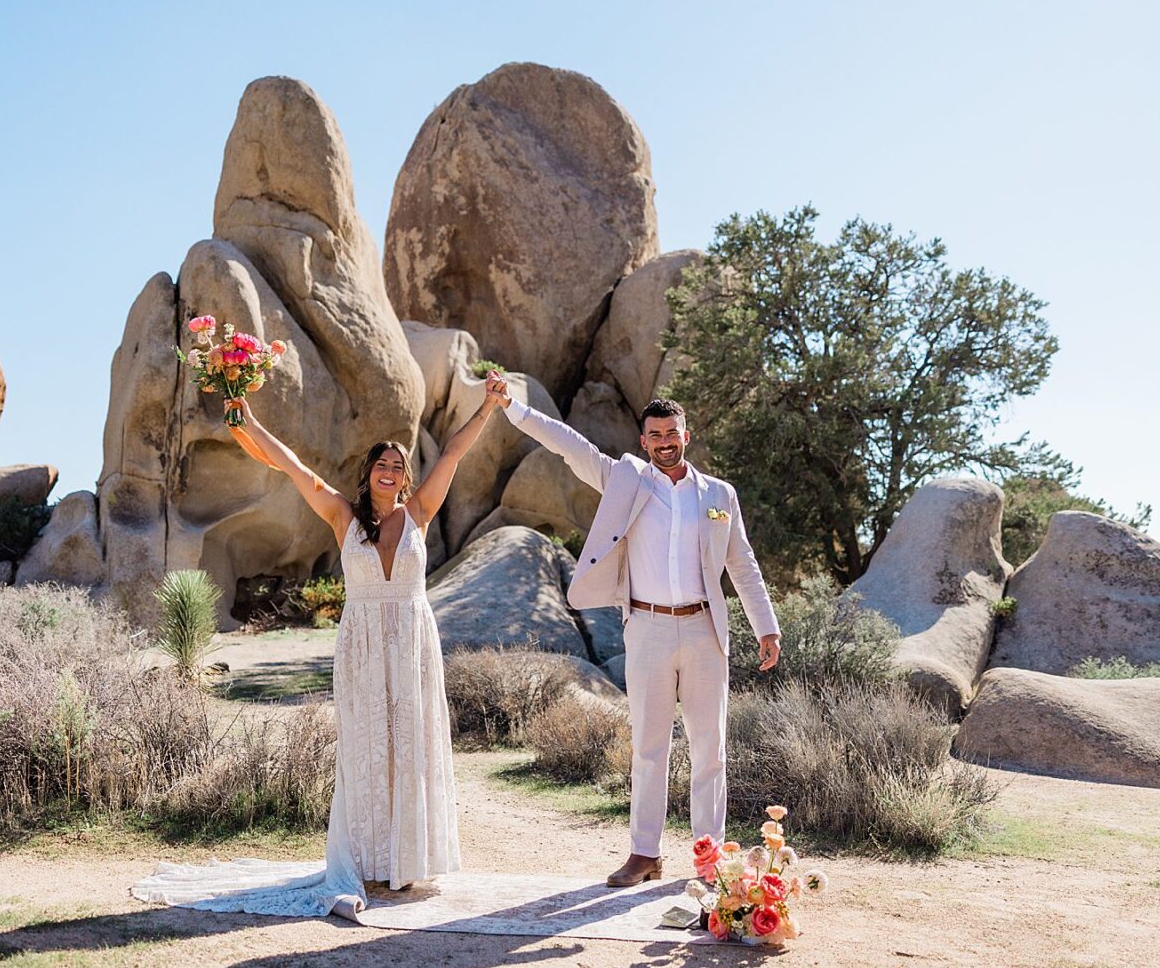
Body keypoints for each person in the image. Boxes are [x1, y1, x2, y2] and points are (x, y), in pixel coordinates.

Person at [131, 385, 505, 918]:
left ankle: (405, 861)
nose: (390, 471)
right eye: (382, 463)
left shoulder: (420, 512)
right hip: (362, 649)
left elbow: (452, 453)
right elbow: (293, 467)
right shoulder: (342, 517)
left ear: (405, 477)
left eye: (398, 466)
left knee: (410, 746)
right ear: (369, 471)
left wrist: (487, 408)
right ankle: (369, 861)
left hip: (412, 643)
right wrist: (248, 419)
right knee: (367, 749)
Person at [485, 372, 781, 887]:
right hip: (646, 629)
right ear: (644, 441)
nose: (666, 444)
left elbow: (744, 564)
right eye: (656, 436)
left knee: (710, 749)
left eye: (673, 434)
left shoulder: (719, 495)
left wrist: (767, 628)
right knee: (649, 746)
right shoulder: (627, 479)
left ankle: (709, 860)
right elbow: (571, 447)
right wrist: (513, 406)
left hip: (705, 631)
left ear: (687, 435)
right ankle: (645, 854)